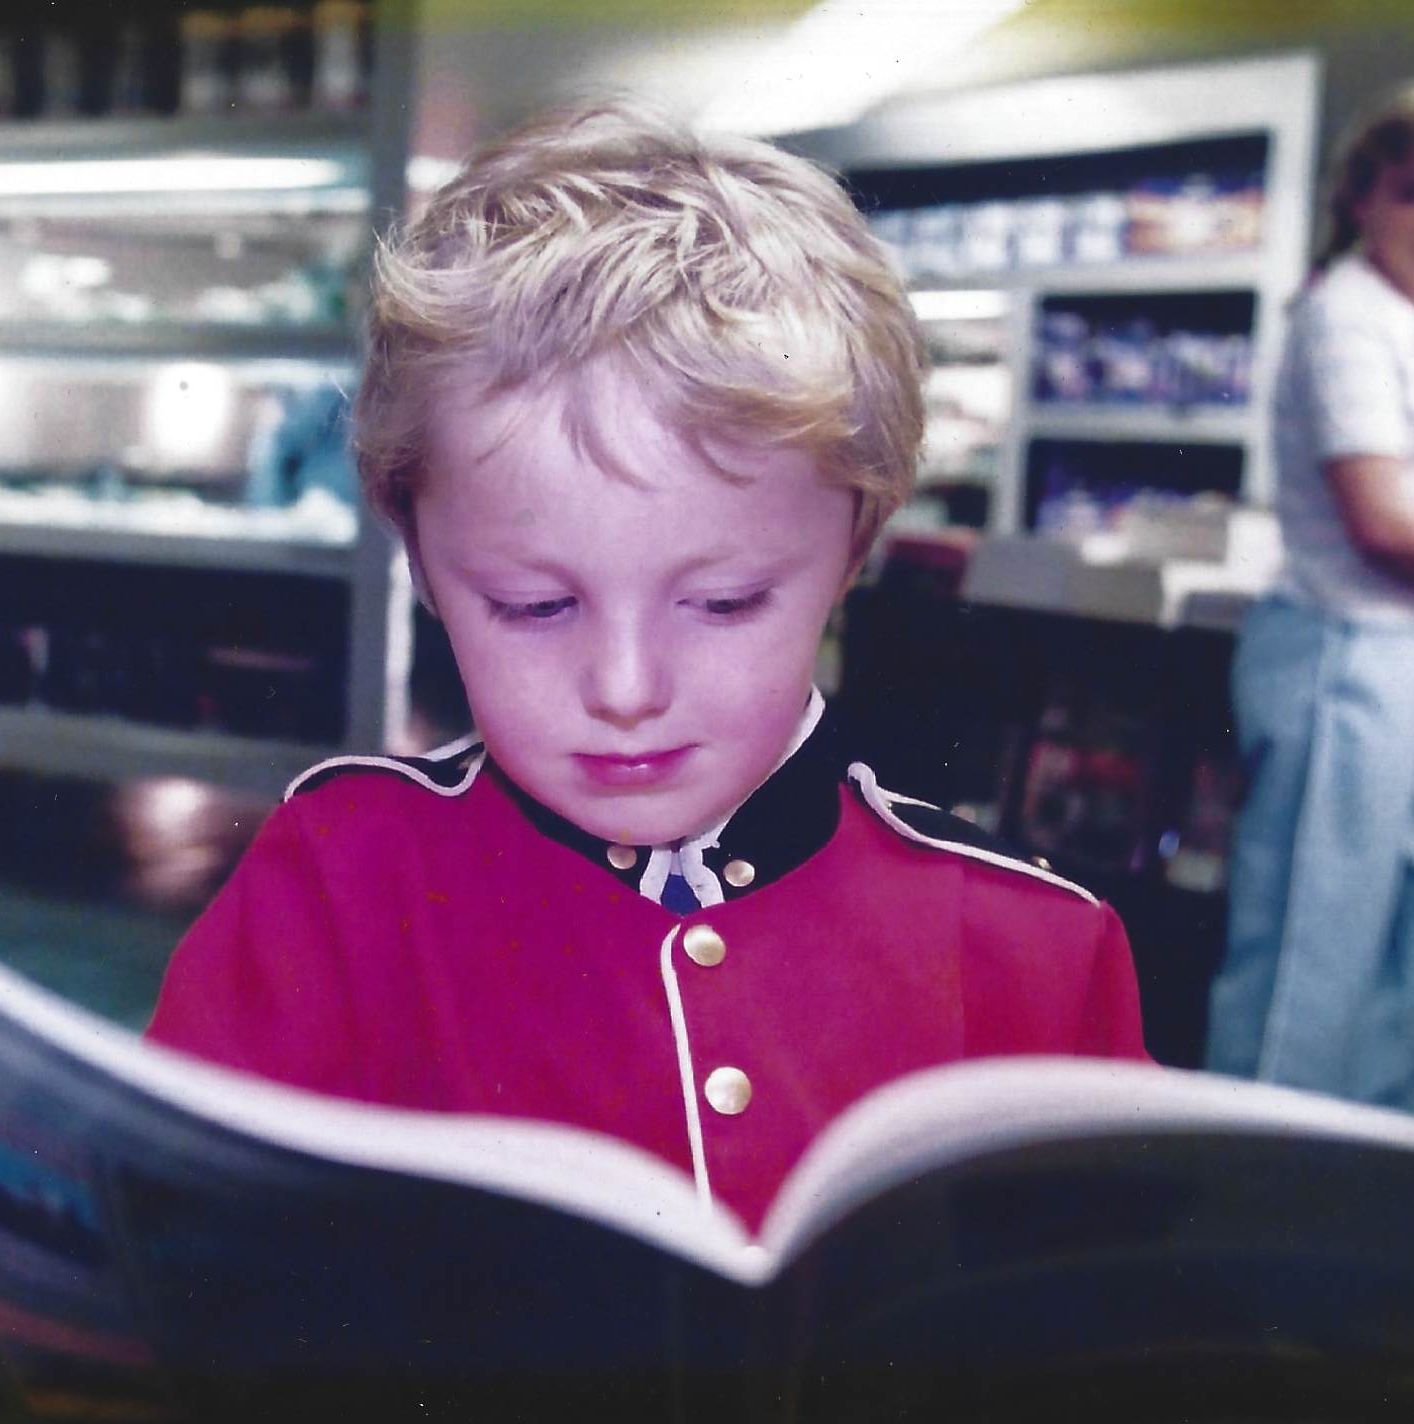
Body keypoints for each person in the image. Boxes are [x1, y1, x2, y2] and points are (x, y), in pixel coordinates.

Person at [147, 100, 1149, 1230]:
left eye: (721, 602)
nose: (624, 689)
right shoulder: (338, 887)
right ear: (420, 556)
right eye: (533, 605)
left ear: (852, 550)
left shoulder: (1032, 943)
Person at [1207, 88, 1414, 1105]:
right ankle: (1252, 1209)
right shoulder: (1345, 315)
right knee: (1308, 961)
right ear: (1365, 197)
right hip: (1347, 656)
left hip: (1393, 666)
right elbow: (1382, 520)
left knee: (1389, 978)